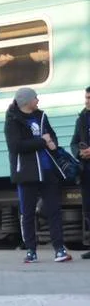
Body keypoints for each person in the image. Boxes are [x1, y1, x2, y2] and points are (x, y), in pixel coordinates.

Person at [5, 87, 71, 263]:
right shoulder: (12, 119)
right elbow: (16, 146)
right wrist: (43, 141)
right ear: (26, 101)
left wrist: (52, 143)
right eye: (35, 98)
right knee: (27, 213)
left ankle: (59, 249)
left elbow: (52, 136)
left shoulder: (41, 116)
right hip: (26, 173)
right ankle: (31, 251)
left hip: (48, 170)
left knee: (54, 210)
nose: (38, 100)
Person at [69, 86, 90, 258]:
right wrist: (79, 152)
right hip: (86, 169)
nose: (87, 101)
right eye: (86, 98)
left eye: (89, 98)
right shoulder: (82, 118)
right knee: (88, 208)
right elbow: (74, 142)